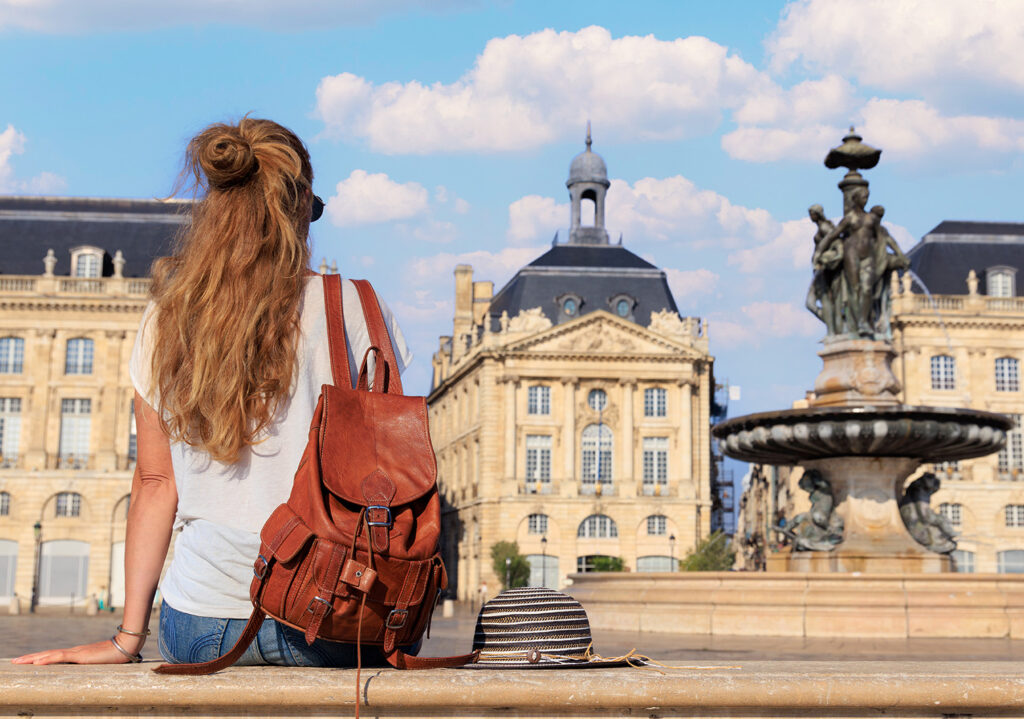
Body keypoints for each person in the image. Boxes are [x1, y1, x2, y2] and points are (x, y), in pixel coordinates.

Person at [13, 118, 412, 666]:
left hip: (204, 616)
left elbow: (155, 482)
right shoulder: (358, 308)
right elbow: (391, 472)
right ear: (298, 208)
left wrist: (127, 639)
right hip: (334, 605)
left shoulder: (168, 316)